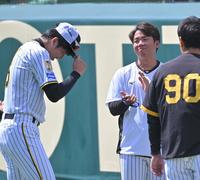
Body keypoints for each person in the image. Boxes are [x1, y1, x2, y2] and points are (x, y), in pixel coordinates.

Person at [0, 22, 86, 180]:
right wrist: (76, 73)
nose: (60, 57)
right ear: (54, 41)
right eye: (64, 51)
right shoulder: (39, 52)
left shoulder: (26, 48)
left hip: (10, 129)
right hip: (21, 129)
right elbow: (54, 94)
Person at [141, 16, 200, 180]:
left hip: (174, 155)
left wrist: (155, 153)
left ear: (181, 42)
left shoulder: (162, 72)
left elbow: (152, 117)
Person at [106, 22, 165, 180]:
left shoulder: (166, 73)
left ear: (157, 43)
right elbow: (112, 108)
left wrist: (151, 95)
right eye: (136, 40)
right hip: (131, 150)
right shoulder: (123, 73)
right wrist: (125, 102)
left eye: (144, 39)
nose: (140, 44)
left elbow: (172, 111)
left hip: (160, 152)